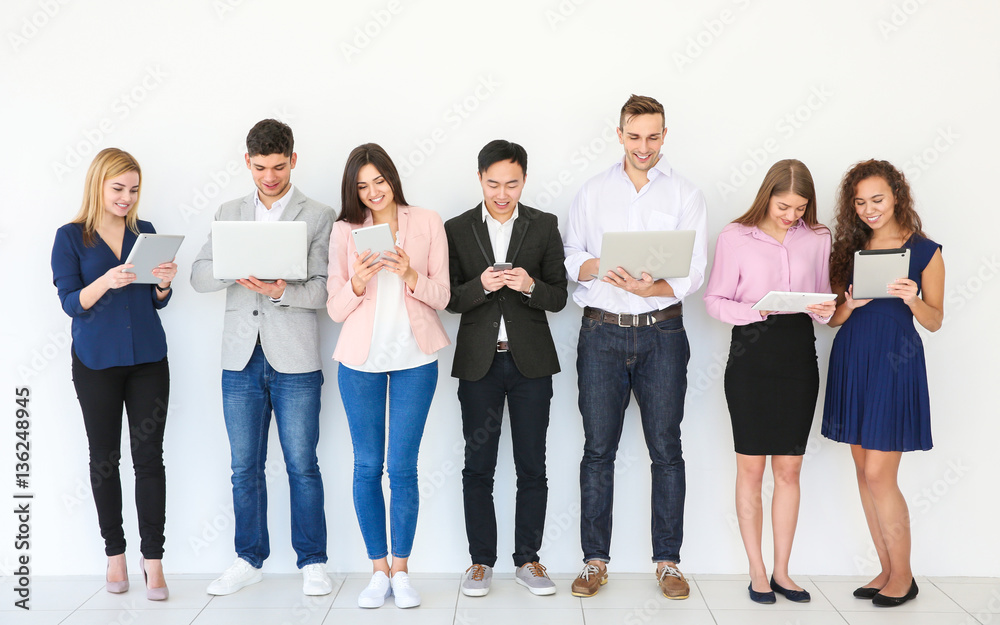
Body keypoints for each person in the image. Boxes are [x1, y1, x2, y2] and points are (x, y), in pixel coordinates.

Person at [563, 94, 708, 599]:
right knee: (598, 450)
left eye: (653, 136)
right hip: (601, 332)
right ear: (619, 134)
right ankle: (594, 562)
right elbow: (569, 256)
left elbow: (693, 271)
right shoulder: (592, 191)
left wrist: (655, 288)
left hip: (662, 331)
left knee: (666, 449)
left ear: (664, 135)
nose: (643, 146)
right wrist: (601, 265)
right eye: (634, 135)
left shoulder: (686, 195)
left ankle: (668, 562)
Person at [190, 119, 335, 597]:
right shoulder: (229, 211)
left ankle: (312, 560)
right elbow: (199, 276)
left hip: (295, 358)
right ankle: (248, 557)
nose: (269, 177)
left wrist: (279, 290)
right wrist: (235, 269)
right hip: (239, 358)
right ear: (246, 162)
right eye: (259, 168)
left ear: (293, 159)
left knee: (302, 464)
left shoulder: (318, 215)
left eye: (277, 167)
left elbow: (321, 292)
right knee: (243, 467)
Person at [703, 160, 835, 604]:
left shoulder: (818, 237)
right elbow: (714, 301)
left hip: (799, 353)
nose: (791, 215)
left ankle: (783, 571)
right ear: (767, 197)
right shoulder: (734, 236)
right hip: (751, 353)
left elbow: (823, 298)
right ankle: (757, 571)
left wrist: (825, 309)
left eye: (800, 208)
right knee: (751, 468)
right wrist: (755, 310)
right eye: (783, 206)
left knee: (790, 468)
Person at [326, 143, 450, 609]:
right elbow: (335, 308)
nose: (373, 192)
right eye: (362, 186)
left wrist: (410, 273)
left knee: (402, 468)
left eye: (379, 181)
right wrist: (358, 280)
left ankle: (401, 570)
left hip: (416, 359)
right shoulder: (345, 231)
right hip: (361, 362)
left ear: (393, 177)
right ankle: (377, 569)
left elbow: (443, 294)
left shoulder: (427, 221)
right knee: (365, 466)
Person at [51, 147, 176, 601]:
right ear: (98, 185)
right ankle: (115, 554)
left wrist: (162, 283)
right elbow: (70, 303)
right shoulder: (70, 238)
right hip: (96, 363)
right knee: (105, 458)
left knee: (149, 459)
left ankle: (155, 561)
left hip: (148, 359)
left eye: (134, 190)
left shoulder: (147, 233)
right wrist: (107, 280)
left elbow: (156, 301)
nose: (126, 198)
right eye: (118, 188)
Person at [445, 140, 568, 597]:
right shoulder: (456, 228)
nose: (502, 193)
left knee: (531, 466)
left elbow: (559, 296)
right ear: (479, 179)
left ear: (524, 181)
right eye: (493, 183)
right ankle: (480, 563)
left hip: (531, 365)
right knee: (478, 467)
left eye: (511, 184)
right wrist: (479, 286)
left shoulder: (543, 224)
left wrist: (530, 285)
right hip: (479, 365)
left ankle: (528, 560)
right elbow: (450, 299)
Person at [822, 159, 944, 607]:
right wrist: (849, 306)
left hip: (895, 363)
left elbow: (935, 321)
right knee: (862, 471)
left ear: (897, 196)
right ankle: (887, 568)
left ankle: (905, 576)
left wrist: (912, 299)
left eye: (877, 199)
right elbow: (832, 319)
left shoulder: (925, 251)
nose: (869, 209)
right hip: (854, 356)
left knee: (879, 473)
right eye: (860, 202)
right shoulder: (848, 251)